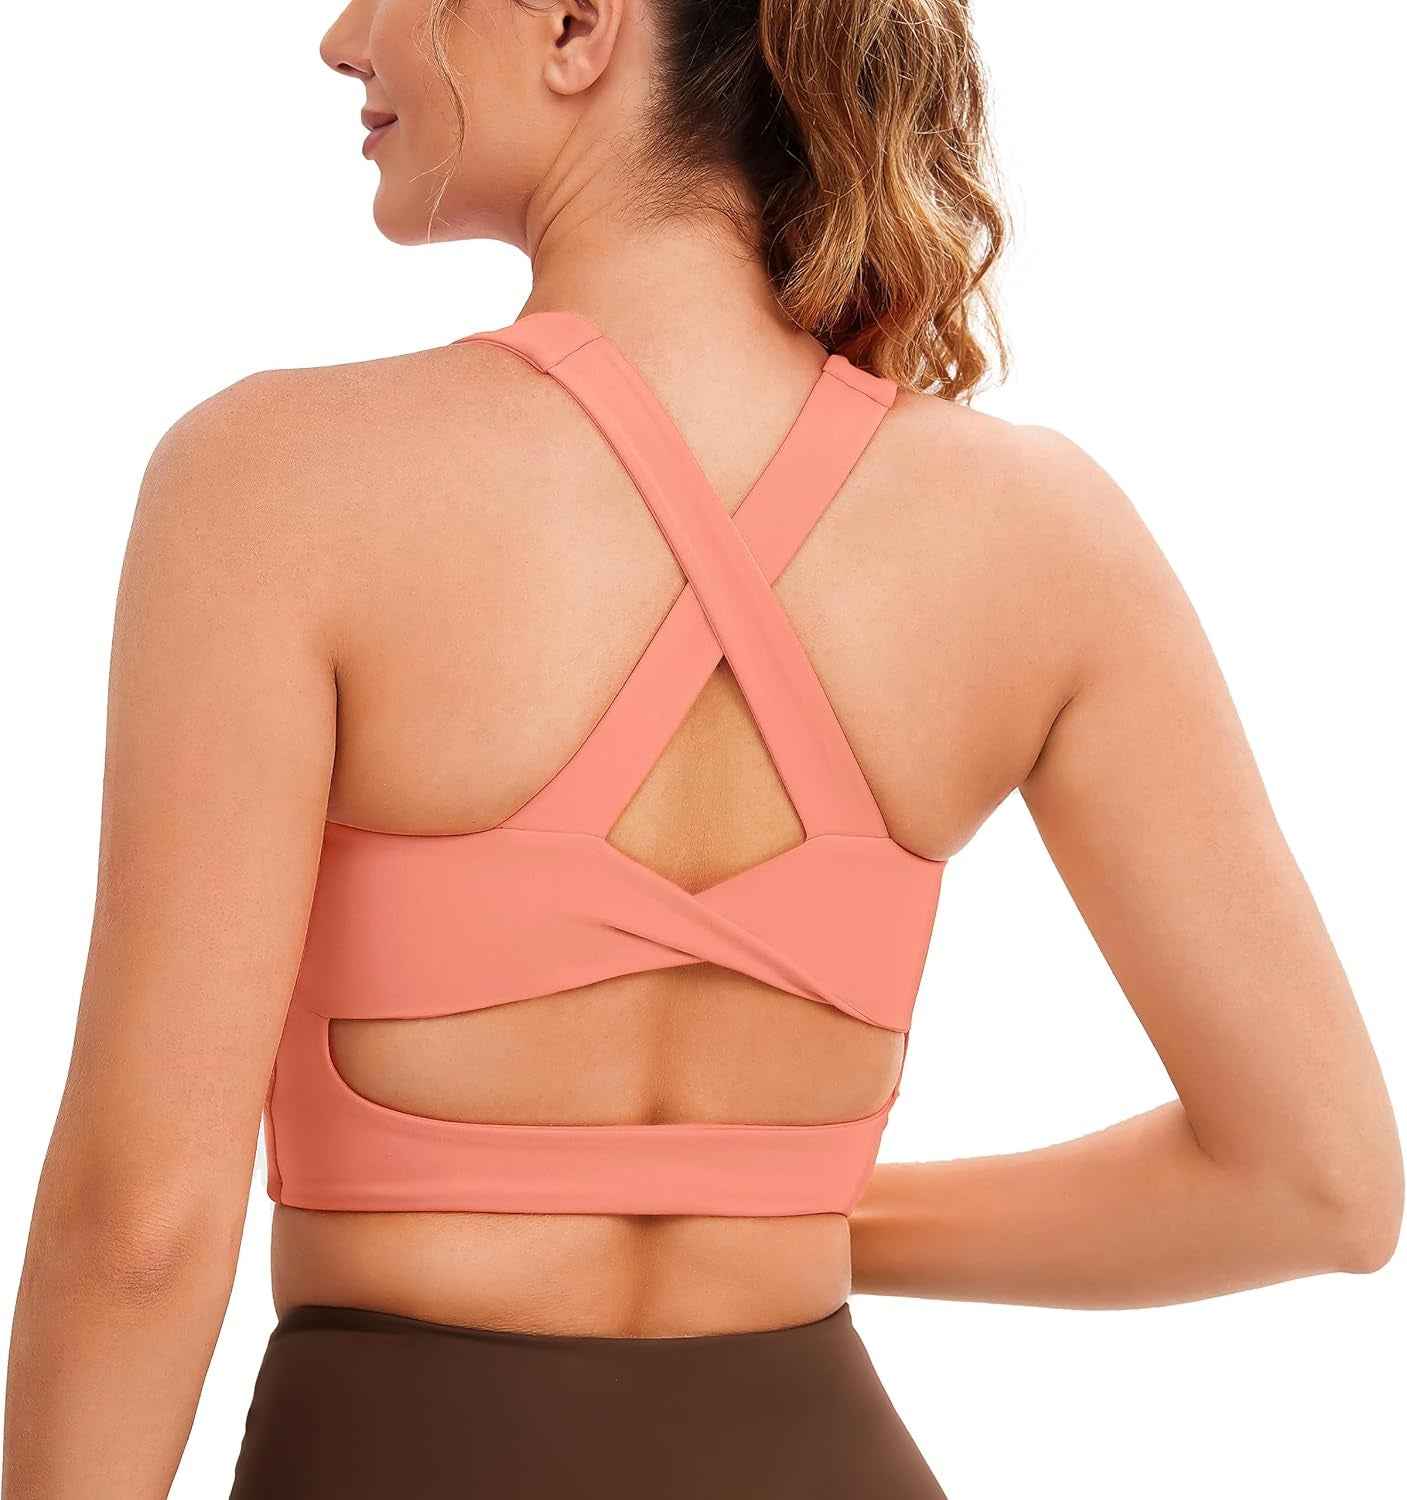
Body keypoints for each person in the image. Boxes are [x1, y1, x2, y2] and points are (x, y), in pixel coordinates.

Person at [4, 0, 1401, 1495]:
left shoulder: (276, 484)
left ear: (575, 23)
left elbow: (140, 1232)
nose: (346, 38)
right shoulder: (1045, 534)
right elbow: (1314, 1185)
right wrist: (773, 1206)